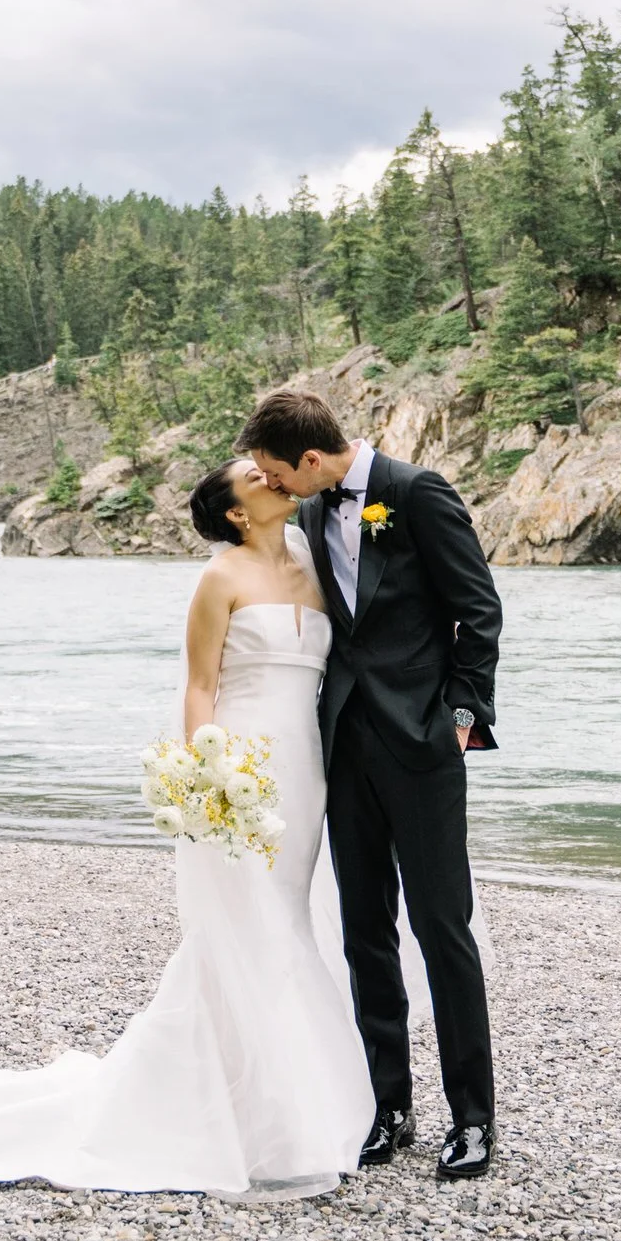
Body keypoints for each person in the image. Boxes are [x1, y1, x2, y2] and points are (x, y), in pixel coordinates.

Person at [0, 458, 374, 1199]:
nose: (271, 477)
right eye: (255, 476)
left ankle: (287, 1107)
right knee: (245, 930)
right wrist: (210, 779)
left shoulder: (312, 561)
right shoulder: (218, 578)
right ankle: (251, 1119)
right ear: (234, 511)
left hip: (307, 775)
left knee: (288, 921)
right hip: (242, 769)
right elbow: (200, 686)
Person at [239, 387, 503, 1182]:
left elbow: (478, 608)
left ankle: (474, 1118)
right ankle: (389, 1106)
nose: (276, 487)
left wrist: (461, 715)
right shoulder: (315, 511)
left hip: (423, 742)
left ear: (311, 460)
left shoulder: (417, 493)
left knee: (441, 927)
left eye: (276, 474)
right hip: (341, 748)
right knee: (364, 931)